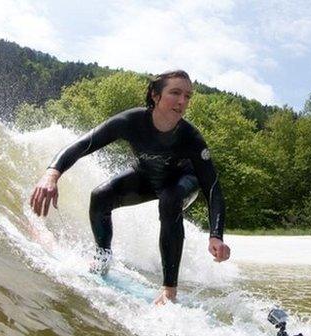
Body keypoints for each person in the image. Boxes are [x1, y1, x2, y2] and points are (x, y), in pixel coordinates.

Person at [29, 70, 230, 305]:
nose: (182, 101)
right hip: (146, 177)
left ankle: (169, 291)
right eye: (175, 93)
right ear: (155, 95)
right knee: (101, 196)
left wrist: (216, 236)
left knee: (170, 199)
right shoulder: (131, 121)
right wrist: (52, 174)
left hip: (183, 181)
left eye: (187, 96)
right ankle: (102, 259)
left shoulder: (191, 138)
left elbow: (213, 187)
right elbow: (84, 144)